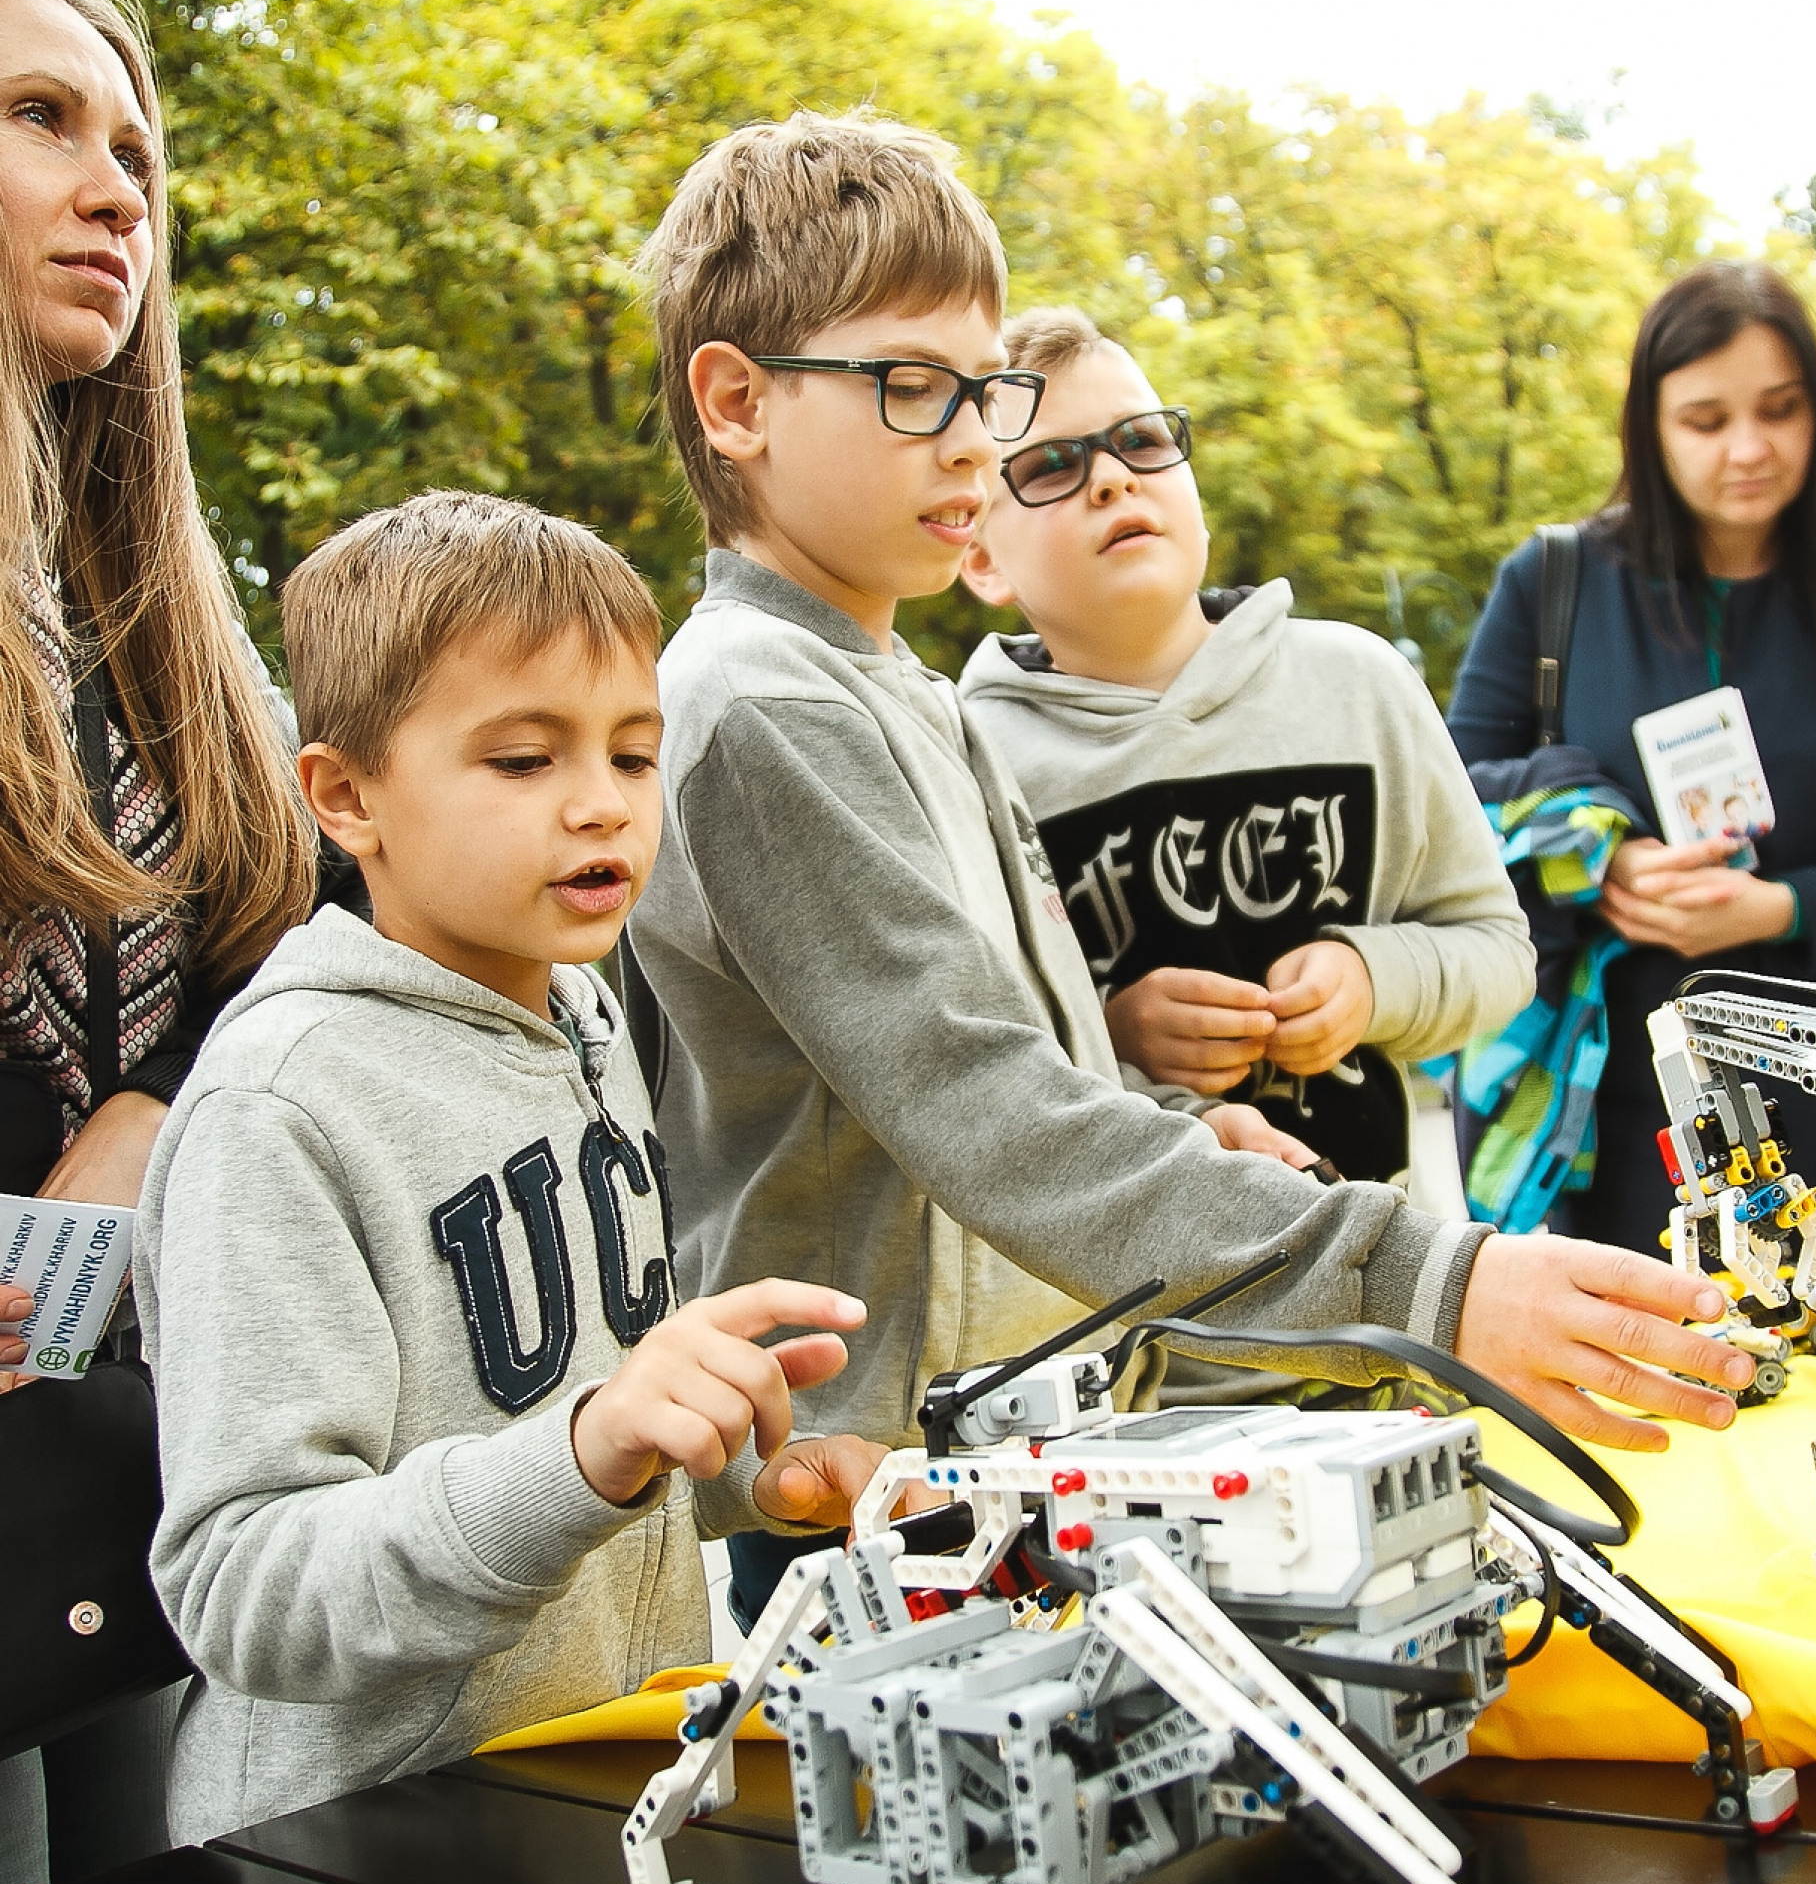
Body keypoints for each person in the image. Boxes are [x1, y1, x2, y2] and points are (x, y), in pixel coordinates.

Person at [624, 110, 1754, 1622]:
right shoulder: (760, 705)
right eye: (910, 388)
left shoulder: (886, 682)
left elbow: (1014, 1062)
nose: (969, 436)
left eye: (982, 389)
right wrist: (1424, 1281)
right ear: (736, 401)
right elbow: (982, 1110)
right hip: (861, 1479)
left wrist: (1167, 1117)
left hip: (1006, 1430)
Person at [131, 493, 888, 1842]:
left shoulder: (584, 1019)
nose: (599, 803)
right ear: (346, 796)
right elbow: (243, 1585)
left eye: (634, 754)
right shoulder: (277, 1103)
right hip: (362, 1840)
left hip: (588, 1795)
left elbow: (551, 1421)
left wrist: (737, 1466)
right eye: (525, 759)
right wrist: (589, 1452)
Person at [0, 0, 320, 1884]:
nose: (120, 185)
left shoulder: (159, 612)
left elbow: (301, 921)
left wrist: (158, 1111)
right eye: (39, 118)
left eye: (135, 145)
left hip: (118, 1484)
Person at [1448, 261, 1816, 1253]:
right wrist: (1598, 863)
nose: (1748, 449)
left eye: (1779, 411)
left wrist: (1784, 909)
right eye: (1705, 420)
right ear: (1649, 426)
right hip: (1620, 1129)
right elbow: (1445, 805)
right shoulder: (1553, 584)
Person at [956, 306, 1533, 1222]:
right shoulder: (969, 760)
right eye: (1050, 467)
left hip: (1379, 1296)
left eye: (1141, 441)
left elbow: (1500, 951)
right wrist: (1111, 1032)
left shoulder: (1360, 683)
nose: (1110, 478)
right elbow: (971, 1070)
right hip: (1134, 1334)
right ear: (980, 555)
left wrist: (1371, 979)